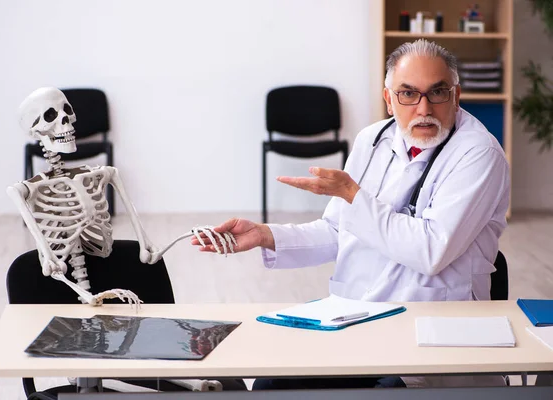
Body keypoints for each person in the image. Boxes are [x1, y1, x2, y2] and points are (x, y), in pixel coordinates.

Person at [192, 39, 510, 389]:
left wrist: (352, 195)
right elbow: (337, 230)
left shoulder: (479, 154)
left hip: (429, 327)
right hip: (357, 315)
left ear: (455, 96)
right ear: (389, 100)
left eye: (437, 93)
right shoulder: (372, 140)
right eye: (407, 94)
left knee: (383, 390)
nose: (423, 108)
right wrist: (266, 235)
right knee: (272, 384)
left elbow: (431, 251)